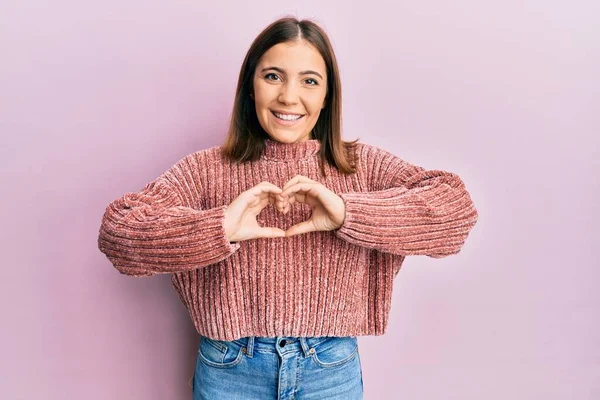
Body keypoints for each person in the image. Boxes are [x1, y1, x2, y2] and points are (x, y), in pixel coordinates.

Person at [97, 16, 479, 400]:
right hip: (230, 369)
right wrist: (219, 227)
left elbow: (456, 211)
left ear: (328, 95)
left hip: (330, 368)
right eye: (273, 77)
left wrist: (349, 214)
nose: (289, 97)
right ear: (251, 86)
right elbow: (118, 233)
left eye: (310, 81)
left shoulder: (361, 166)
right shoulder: (204, 170)